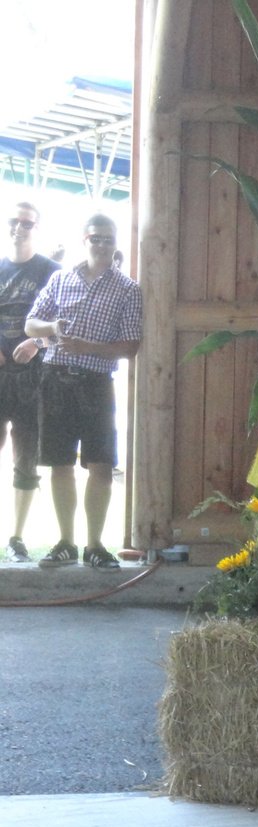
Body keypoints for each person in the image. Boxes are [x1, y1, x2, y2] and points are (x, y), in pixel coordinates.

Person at [25, 213, 141, 570]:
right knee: (59, 464)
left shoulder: (128, 289)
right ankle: (66, 543)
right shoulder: (60, 279)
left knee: (101, 465)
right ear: (84, 240)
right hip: (55, 379)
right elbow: (31, 325)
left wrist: (86, 347)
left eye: (108, 239)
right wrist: (53, 327)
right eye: (96, 238)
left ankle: (95, 545)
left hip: (96, 383)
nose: (102, 244)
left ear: (116, 243)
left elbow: (130, 346)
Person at [0, 202, 60, 561]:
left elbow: (66, 322)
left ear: (37, 229)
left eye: (27, 223)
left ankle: (17, 537)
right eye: (14, 221)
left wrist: (37, 342)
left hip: (34, 378)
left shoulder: (52, 272)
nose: (19, 228)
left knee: (27, 458)